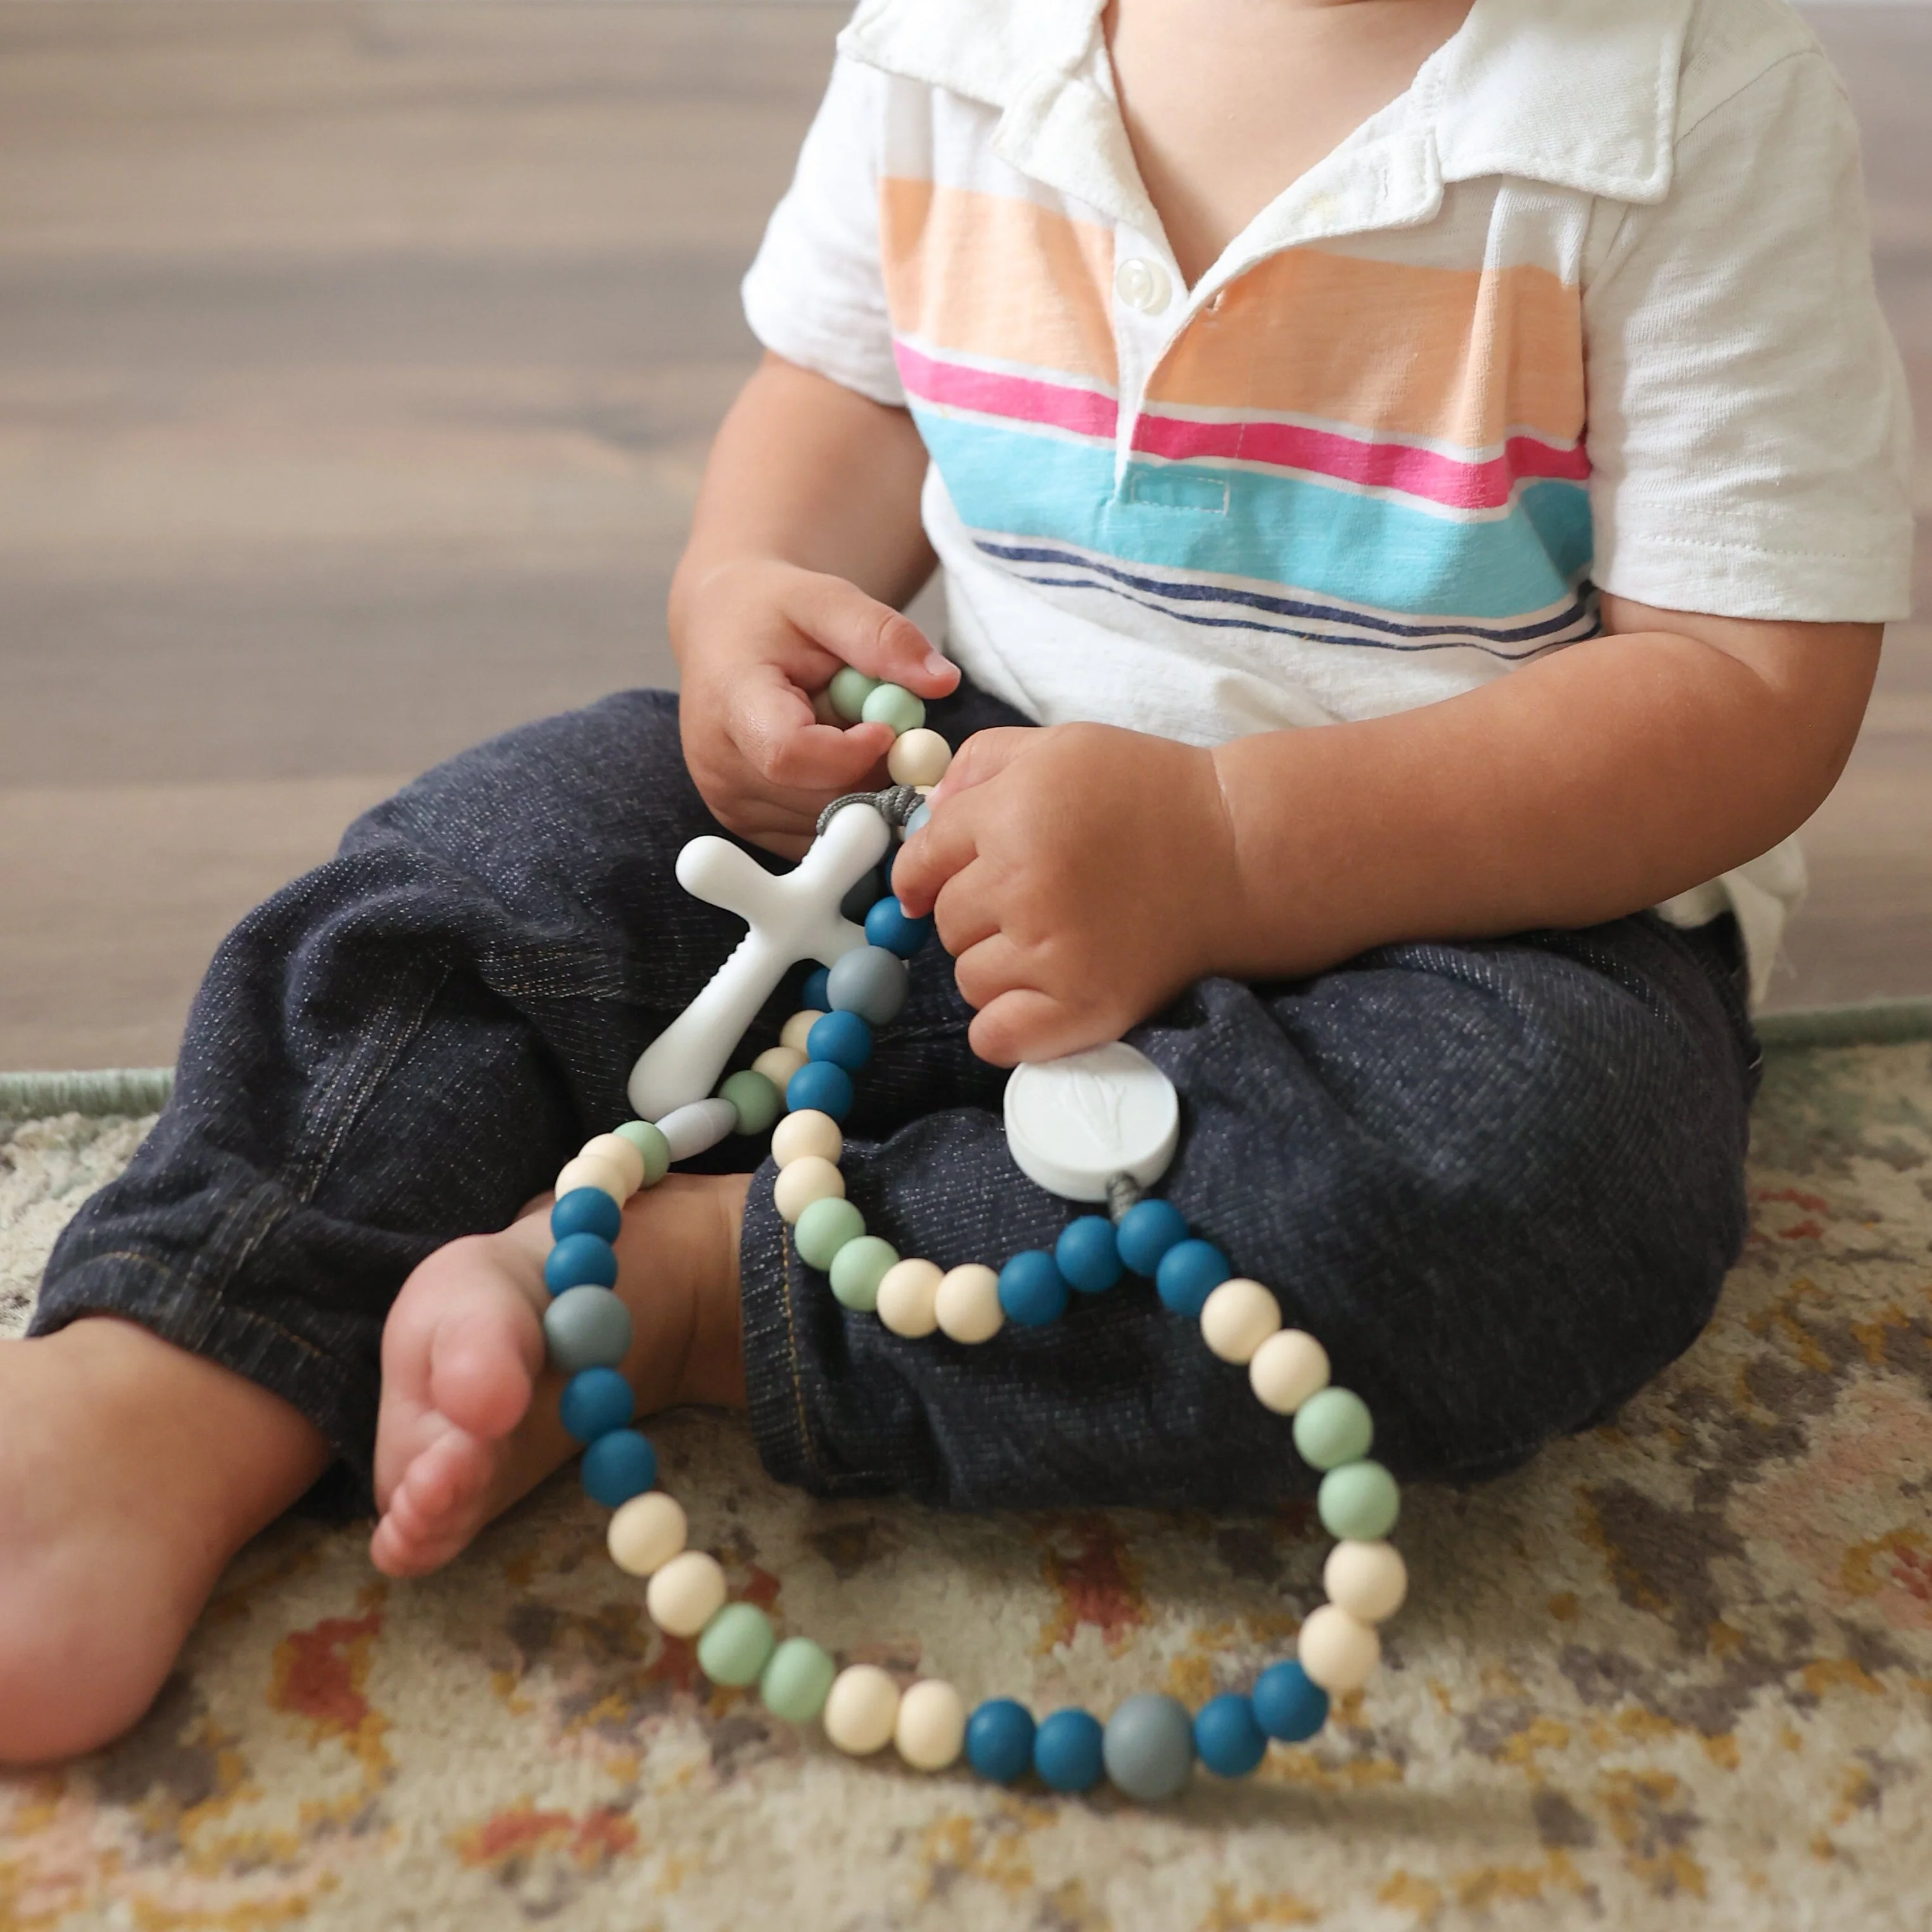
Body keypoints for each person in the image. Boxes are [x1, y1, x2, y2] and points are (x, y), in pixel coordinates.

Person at [1, 0, 1911, 1765]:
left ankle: (690, 1292)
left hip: (1470, 906)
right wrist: (739, 589)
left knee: (1540, 1174)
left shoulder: (1681, 104)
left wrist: (1234, 851)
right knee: (494, 869)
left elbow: (1747, 688)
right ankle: (184, 1352)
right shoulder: (964, 30)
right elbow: (846, 387)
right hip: (955, 781)